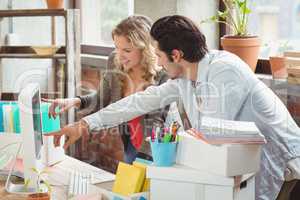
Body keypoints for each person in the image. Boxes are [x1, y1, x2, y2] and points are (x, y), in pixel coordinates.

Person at [46, 15, 300, 200]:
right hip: (245, 165)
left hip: (282, 165)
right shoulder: (185, 78)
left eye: (158, 55)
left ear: (176, 55)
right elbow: (139, 101)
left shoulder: (225, 71)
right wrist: (83, 124)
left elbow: (214, 136)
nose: (156, 60)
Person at [44, 15, 169, 164]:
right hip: (130, 143)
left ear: (145, 49)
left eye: (127, 50)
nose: (120, 56)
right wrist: (76, 101)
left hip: (156, 148)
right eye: (117, 47)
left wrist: (144, 160)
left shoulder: (164, 76)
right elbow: (102, 99)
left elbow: (158, 122)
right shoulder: (114, 61)